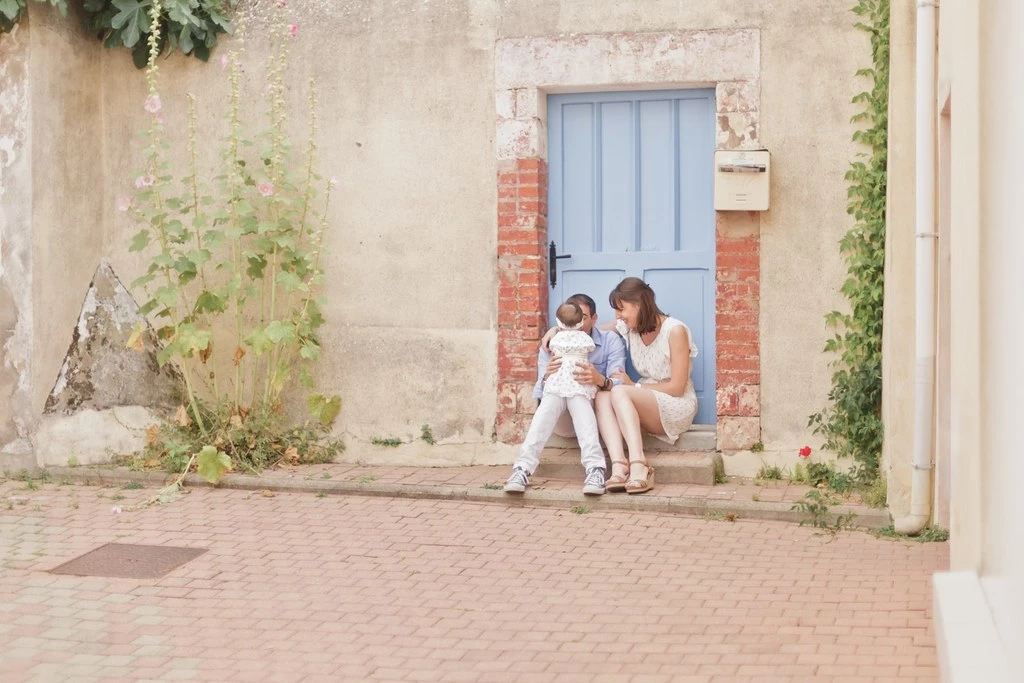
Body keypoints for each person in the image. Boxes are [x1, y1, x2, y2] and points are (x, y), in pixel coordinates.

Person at [504, 298, 623, 495]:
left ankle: (595, 470)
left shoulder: (608, 340)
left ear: (594, 319)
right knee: (542, 418)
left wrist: (598, 379)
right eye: (576, 319)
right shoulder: (550, 343)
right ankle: (522, 468)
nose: (578, 323)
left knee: (585, 421)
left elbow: (619, 383)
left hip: (589, 402)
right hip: (558, 399)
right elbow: (540, 390)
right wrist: (547, 376)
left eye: (583, 318)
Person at [602, 277, 699, 494]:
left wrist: (633, 387)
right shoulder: (629, 327)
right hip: (645, 400)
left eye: (621, 309)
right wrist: (560, 331)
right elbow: (594, 331)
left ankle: (639, 465)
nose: (618, 316)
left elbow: (677, 387)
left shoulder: (675, 331)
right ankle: (619, 465)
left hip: (676, 403)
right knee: (602, 396)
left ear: (638, 305)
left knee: (617, 390)